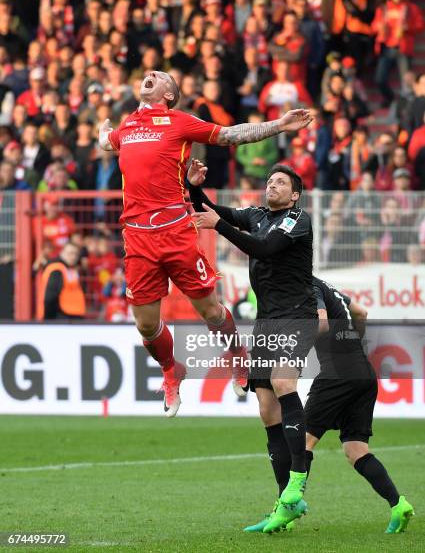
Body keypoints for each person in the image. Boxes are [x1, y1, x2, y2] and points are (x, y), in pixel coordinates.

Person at [98, 70, 312, 417]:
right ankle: (172, 370)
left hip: (174, 231)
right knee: (146, 325)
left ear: (170, 94)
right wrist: (101, 131)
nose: (151, 74)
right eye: (150, 74)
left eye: (162, 76)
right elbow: (106, 142)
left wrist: (278, 125)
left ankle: (237, 354)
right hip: (136, 236)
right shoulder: (128, 125)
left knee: (210, 311)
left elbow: (230, 135)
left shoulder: (179, 121)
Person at [190, 160, 318, 530]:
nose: (272, 185)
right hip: (266, 320)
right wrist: (195, 188)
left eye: (280, 182)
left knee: (282, 383)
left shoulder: (297, 220)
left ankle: (298, 479)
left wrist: (222, 227)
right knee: (266, 408)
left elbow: (264, 249)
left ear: (294, 194)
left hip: (296, 314)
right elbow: (212, 211)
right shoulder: (259, 215)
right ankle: (285, 504)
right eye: (270, 180)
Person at [244, 276, 414, 535]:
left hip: (337, 376)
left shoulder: (306, 286)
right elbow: (360, 311)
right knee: (356, 450)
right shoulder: (327, 286)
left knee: (301, 443)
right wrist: (352, 342)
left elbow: (321, 323)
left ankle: (284, 512)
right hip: (363, 372)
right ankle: (398, 504)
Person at [39, 241, 86, 320]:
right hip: (61, 317)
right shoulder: (57, 269)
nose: (73, 257)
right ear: (62, 253)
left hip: (71, 315)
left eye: (75, 254)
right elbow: (50, 297)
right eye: (70, 253)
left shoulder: (68, 269)